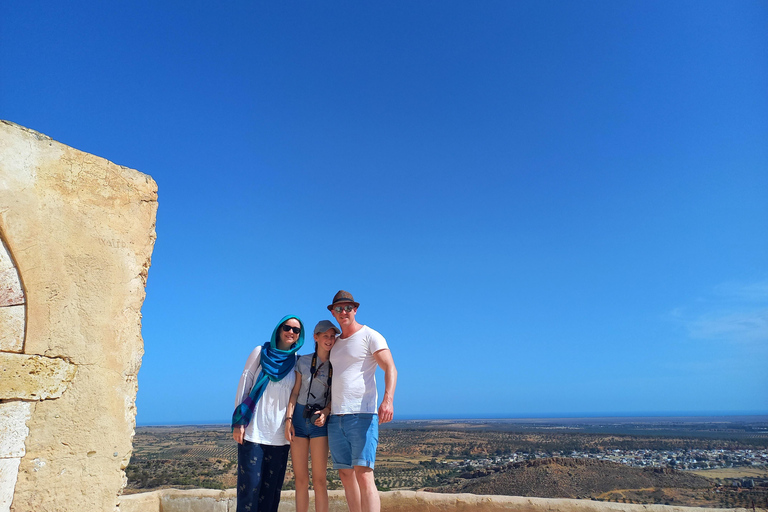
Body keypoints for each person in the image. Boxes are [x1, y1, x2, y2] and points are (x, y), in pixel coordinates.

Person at [326, 291, 397, 512]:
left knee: (364, 475)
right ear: (333, 312)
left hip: (362, 415)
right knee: (346, 475)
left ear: (355, 310)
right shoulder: (334, 344)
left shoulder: (370, 336)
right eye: (339, 308)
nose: (343, 312)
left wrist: (388, 400)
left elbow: (390, 367)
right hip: (335, 417)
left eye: (348, 307)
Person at [232, 315, 305, 512]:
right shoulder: (260, 352)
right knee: (249, 492)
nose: (291, 332)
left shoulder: (297, 362)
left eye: (296, 330)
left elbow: (296, 397)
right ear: (279, 329)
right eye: (287, 327)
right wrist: (238, 422)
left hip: (280, 438)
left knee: (271, 493)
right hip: (254, 432)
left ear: (300, 336)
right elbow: (245, 384)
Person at [285, 320, 339, 512]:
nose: (329, 339)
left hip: (319, 421)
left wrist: (325, 412)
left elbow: (337, 396)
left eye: (332, 336)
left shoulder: (337, 364)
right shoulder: (303, 361)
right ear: (316, 337)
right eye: (325, 335)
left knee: (319, 480)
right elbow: (294, 392)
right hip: (299, 419)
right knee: (300, 479)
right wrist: (288, 419)